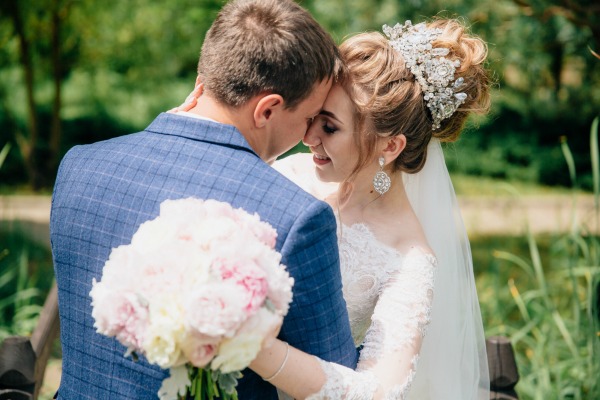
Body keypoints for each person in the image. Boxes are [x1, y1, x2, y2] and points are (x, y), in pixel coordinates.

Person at [49, 0, 357, 399]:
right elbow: (333, 381)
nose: (309, 133)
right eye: (309, 116)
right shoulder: (297, 216)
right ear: (267, 110)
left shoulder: (79, 166)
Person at [249, 18, 492, 399]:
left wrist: (254, 348)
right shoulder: (288, 173)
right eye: (312, 116)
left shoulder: (408, 260)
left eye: (329, 128)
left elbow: (376, 392)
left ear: (390, 146)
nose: (308, 136)